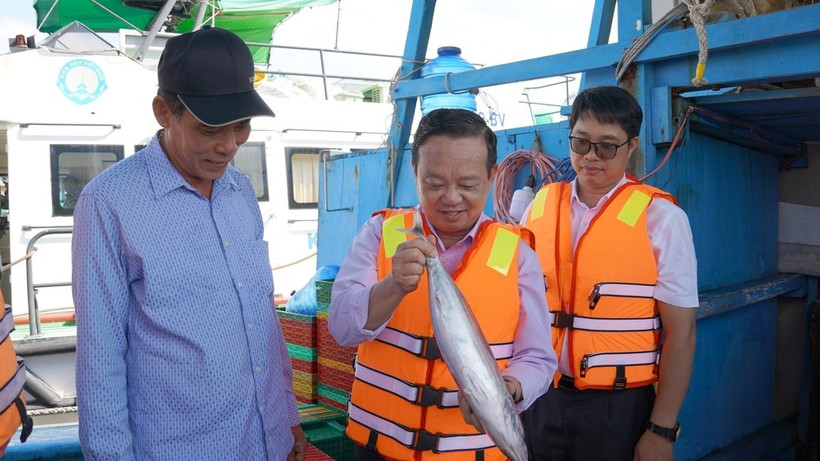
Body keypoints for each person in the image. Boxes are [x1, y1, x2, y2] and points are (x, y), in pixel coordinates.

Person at [72, 27, 307, 460]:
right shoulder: (108, 203)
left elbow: (261, 317)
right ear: (165, 112)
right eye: (208, 130)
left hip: (266, 443)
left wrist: (287, 419)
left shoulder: (240, 192)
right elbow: (99, 360)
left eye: (241, 127)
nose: (228, 146)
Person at [328, 108, 558, 461]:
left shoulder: (518, 254)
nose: (451, 198)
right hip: (380, 450)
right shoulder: (381, 234)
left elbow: (537, 357)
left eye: (467, 184)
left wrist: (510, 389)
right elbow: (342, 328)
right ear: (416, 172)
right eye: (434, 184)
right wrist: (393, 286)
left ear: (493, 176)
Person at [520, 85, 698, 461]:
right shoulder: (540, 206)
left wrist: (661, 431)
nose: (591, 157)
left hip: (619, 409)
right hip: (539, 399)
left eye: (607, 146)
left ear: (632, 146)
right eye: (581, 142)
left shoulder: (662, 219)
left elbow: (681, 333)